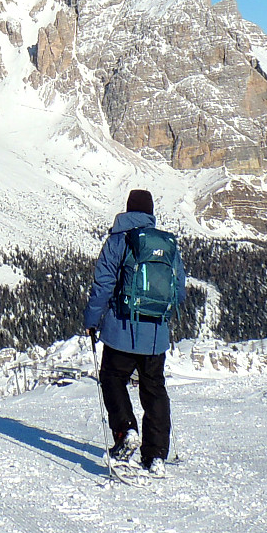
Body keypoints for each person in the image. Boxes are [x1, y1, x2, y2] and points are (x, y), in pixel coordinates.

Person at [84, 188, 185, 474]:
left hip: (121, 329)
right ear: (151, 212)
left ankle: (125, 431)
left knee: (112, 378)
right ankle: (155, 456)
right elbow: (179, 292)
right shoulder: (166, 244)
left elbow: (102, 284)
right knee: (154, 389)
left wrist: (92, 319)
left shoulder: (118, 240)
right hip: (156, 336)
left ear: (128, 210)